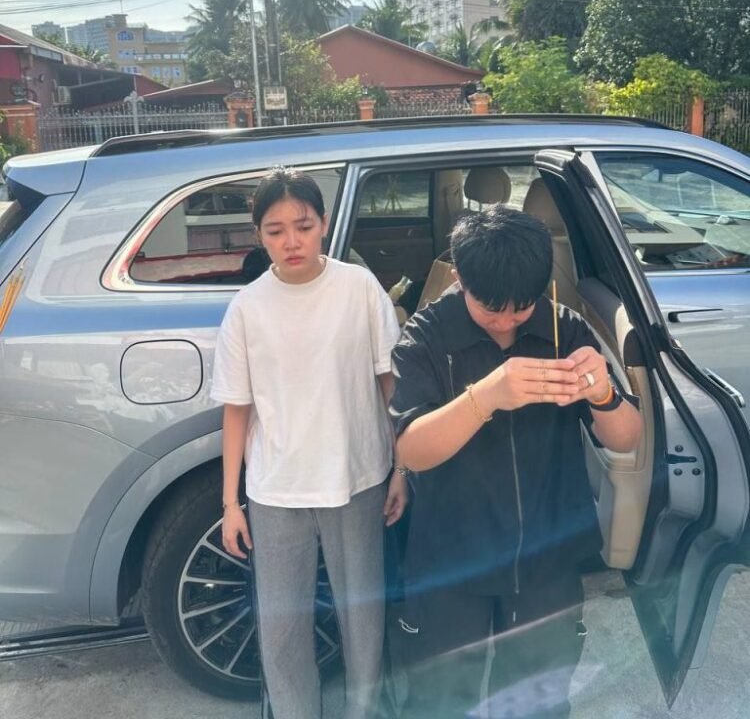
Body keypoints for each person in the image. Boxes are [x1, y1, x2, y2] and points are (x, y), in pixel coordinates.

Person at [390, 205, 643, 718]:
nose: (506, 320)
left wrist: (603, 395)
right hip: (451, 558)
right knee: (440, 700)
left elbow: (627, 437)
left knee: (537, 699)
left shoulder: (563, 329)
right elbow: (411, 449)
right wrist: (487, 395)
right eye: (491, 308)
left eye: (521, 308)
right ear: (459, 279)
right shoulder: (427, 336)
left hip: (547, 554)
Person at [210, 167, 407, 719]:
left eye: (303, 226)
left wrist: (402, 469)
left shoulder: (358, 288)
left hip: (357, 477)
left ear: (324, 223)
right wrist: (231, 503)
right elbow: (236, 408)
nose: (291, 241)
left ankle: (364, 709)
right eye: (275, 231)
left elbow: (389, 385)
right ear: (259, 235)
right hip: (277, 489)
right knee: (281, 628)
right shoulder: (247, 307)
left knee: (363, 617)